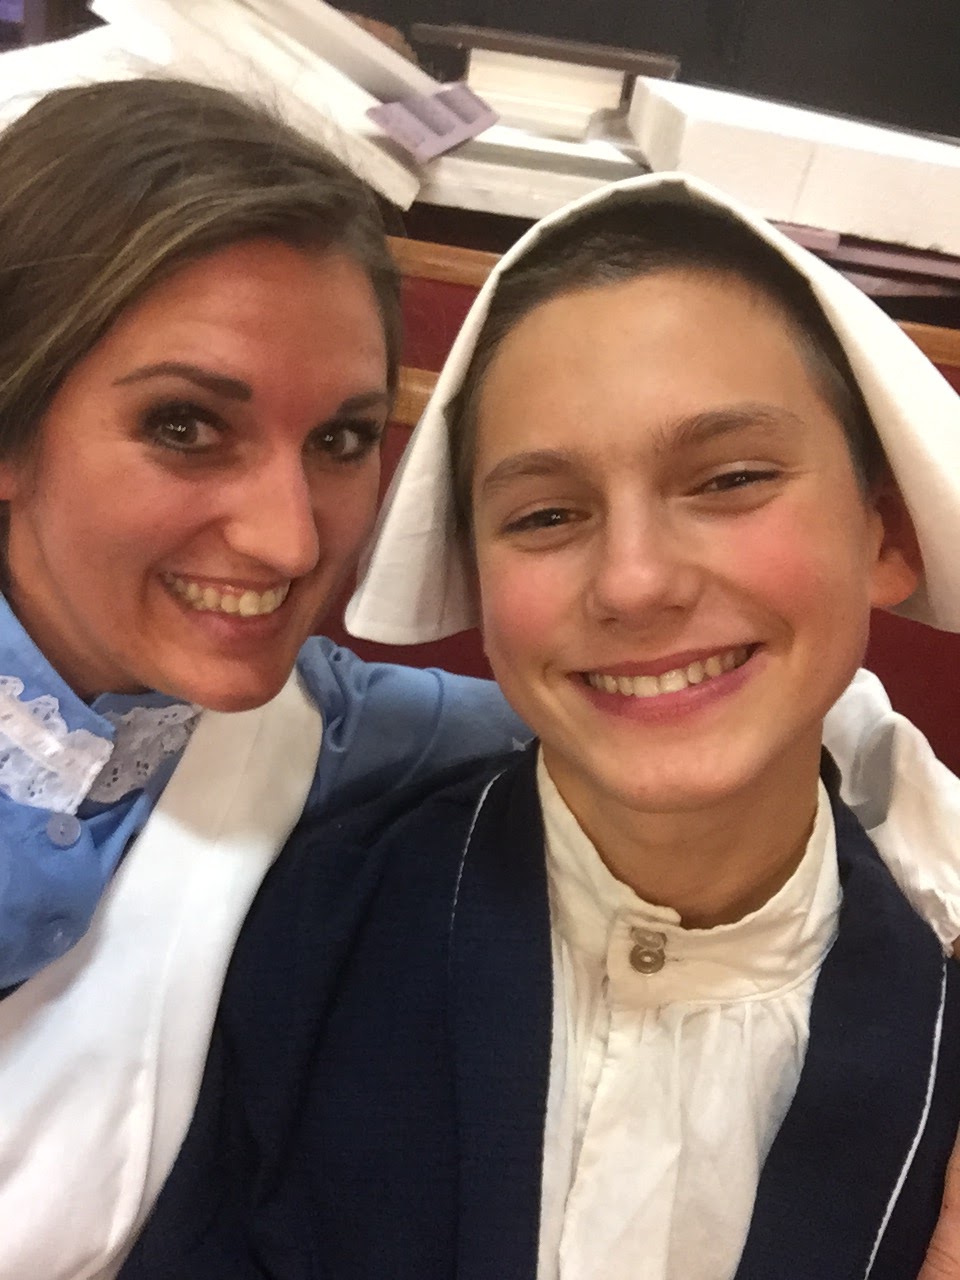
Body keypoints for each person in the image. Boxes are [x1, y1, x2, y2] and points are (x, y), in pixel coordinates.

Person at [121, 173, 960, 1279]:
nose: (635, 581)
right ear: (474, 575)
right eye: (548, 513)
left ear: (885, 531)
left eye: (730, 479)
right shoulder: (313, 937)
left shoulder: (936, 1012)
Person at [0, 76, 523, 1280]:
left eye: (341, 439)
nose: (290, 542)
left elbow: (661, 718)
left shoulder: (317, 730)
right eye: (186, 425)